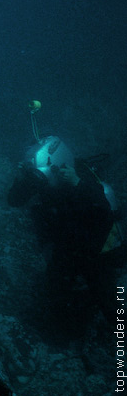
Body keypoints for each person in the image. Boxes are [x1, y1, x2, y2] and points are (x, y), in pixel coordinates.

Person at [7, 103, 124, 343]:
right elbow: (14, 200)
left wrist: (77, 183)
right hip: (67, 246)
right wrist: (23, 179)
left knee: (110, 305)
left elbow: (103, 209)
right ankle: (69, 333)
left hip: (96, 248)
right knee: (55, 295)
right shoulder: (42, 179)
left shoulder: (80, 174)